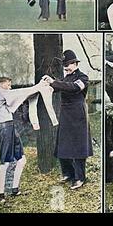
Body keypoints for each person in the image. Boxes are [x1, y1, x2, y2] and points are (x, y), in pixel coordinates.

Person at [43, 50, 93, 190]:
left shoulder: (83, 77)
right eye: (65, 65)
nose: (66, 67)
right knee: (63, 145)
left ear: (76, 63)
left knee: (77, 148)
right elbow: (59, 86)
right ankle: (68, 174)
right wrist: (47, 84)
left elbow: (73, 88)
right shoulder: (66, 78)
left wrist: (54, 82)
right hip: (65, 114)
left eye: (69, 64)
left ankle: (80, 178)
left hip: (78, 115)